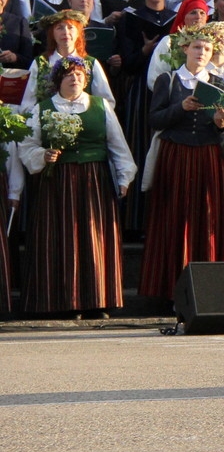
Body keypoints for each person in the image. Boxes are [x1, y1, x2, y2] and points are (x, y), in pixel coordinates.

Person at [17, 58, 136, 315]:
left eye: (80, 76)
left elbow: (118, 145)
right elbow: (27, 146)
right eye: (69, 75)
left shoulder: (100, 106)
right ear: (59, 80)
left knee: (94, 238)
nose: (75, 79)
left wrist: (124, 177)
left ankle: (97, 300)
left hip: (95, 181)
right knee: (59, 238)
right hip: (56, 183)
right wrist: (44, 155)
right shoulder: (43, 108)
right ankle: (62, 302)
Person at [138, 26, 224, 300]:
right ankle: (170, 288)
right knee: (173, 217)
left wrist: (220, 122)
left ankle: (206, 291)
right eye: (196, 47)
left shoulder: (217, 81)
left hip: (206, 156)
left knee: (207, 216)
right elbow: (154, 119)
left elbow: (220, 126)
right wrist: (181, 108)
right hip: (176, 155)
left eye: (206, 48)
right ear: (184, 49)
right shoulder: (168, 80)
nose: (201, 52)